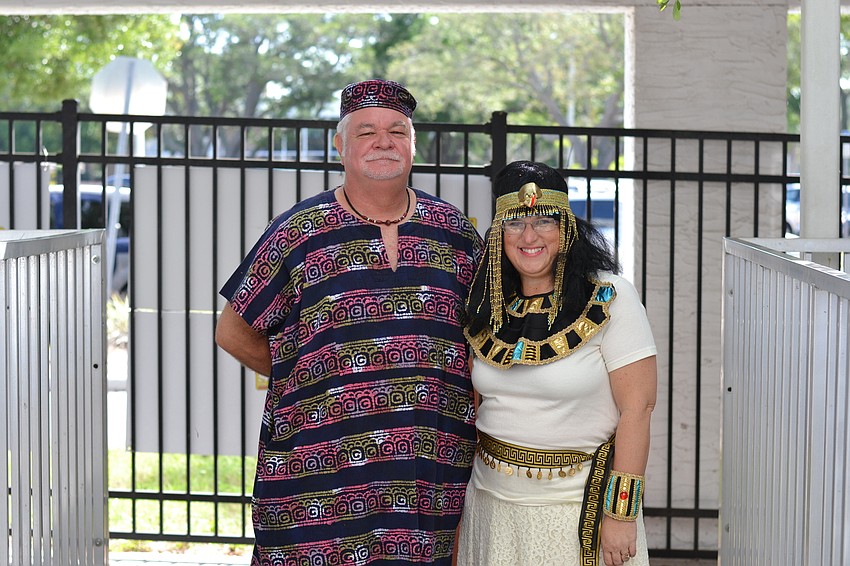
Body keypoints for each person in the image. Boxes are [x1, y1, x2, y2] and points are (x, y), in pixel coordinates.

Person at [215, 79, 483, 565]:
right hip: (319, 473)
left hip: (426, 475)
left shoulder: (455, 233)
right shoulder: (299, 232)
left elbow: (483, 342)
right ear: (339, 145)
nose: (384, 142)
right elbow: (232, 331)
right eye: (366, 132)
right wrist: (306, 378)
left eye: (397, 131)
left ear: (413, 145)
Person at [457, 161, 657, 566]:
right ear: (498, 234)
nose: (529, 236)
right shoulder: (488, 303)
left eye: (543, 220)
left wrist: (621, 515)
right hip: (491, 506)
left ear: (566, 227)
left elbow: (638, 408)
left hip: (576, 511)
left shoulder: (611, 297)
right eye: (515, 223)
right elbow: (480, 408)